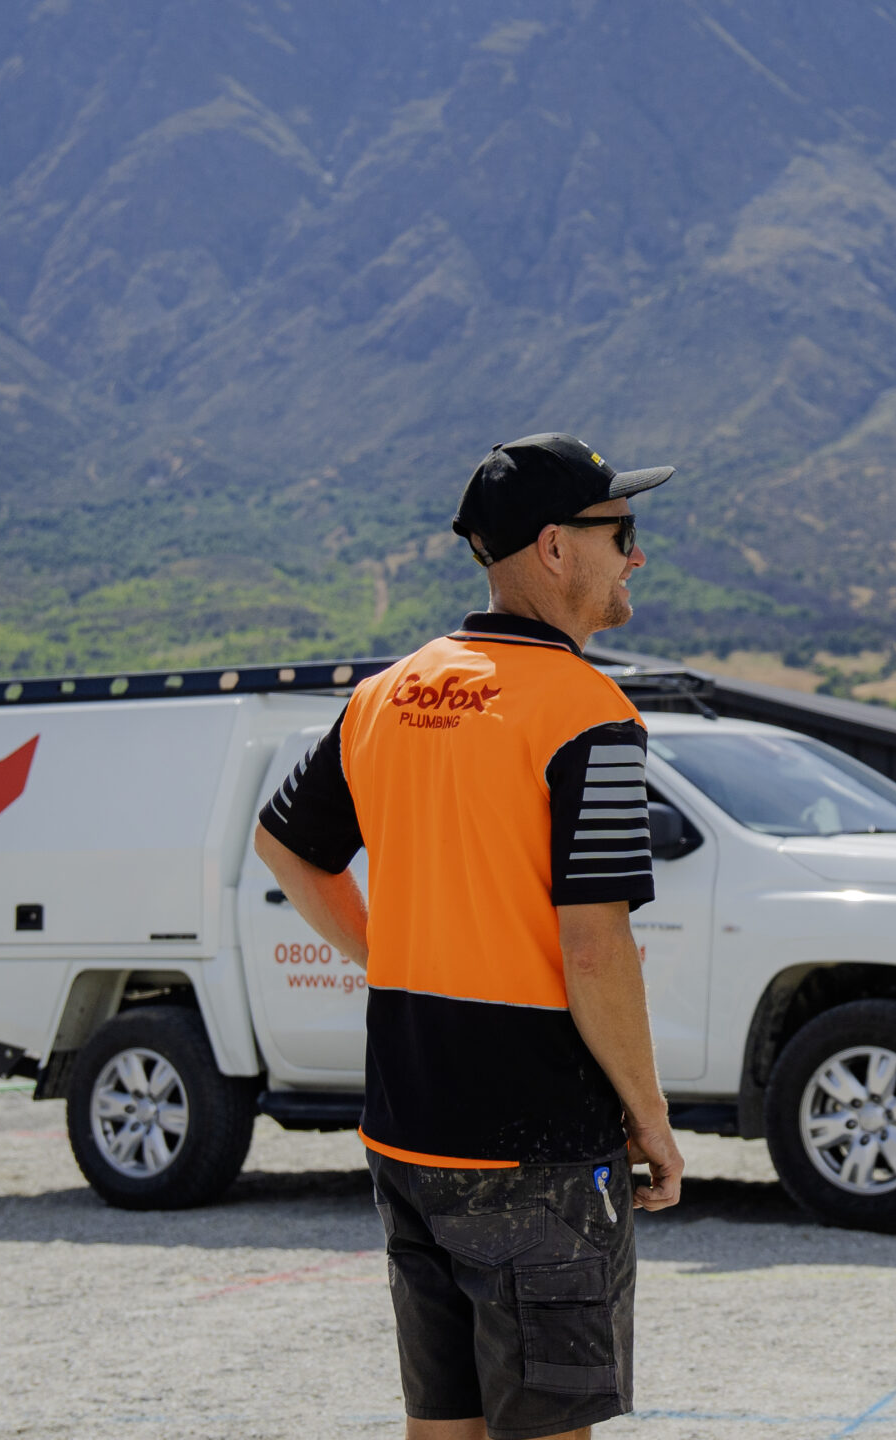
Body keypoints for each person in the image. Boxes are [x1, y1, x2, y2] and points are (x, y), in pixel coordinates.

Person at [254, 433, 686, 1440]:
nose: (636, 556)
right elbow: (593, 946)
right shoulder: (588, 712)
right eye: (620, 533)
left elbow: (287, 849)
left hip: (407, 1124)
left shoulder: (384, 696)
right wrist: (649, 1118)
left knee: (443, 1426)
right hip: (534, 1140)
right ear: (552, 547)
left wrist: (392, 963)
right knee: (546, 1428)